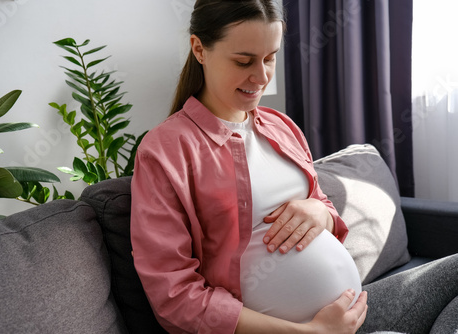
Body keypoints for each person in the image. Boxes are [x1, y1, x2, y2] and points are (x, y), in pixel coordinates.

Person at [130, 1, 458, 333]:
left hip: (353, 314)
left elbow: (325, 208)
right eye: (243, 61)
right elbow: (173, 296)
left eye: (269, 58)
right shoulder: (166, 151)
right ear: (199, 49)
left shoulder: (281, 127)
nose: (260, 77)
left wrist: (320, 211)